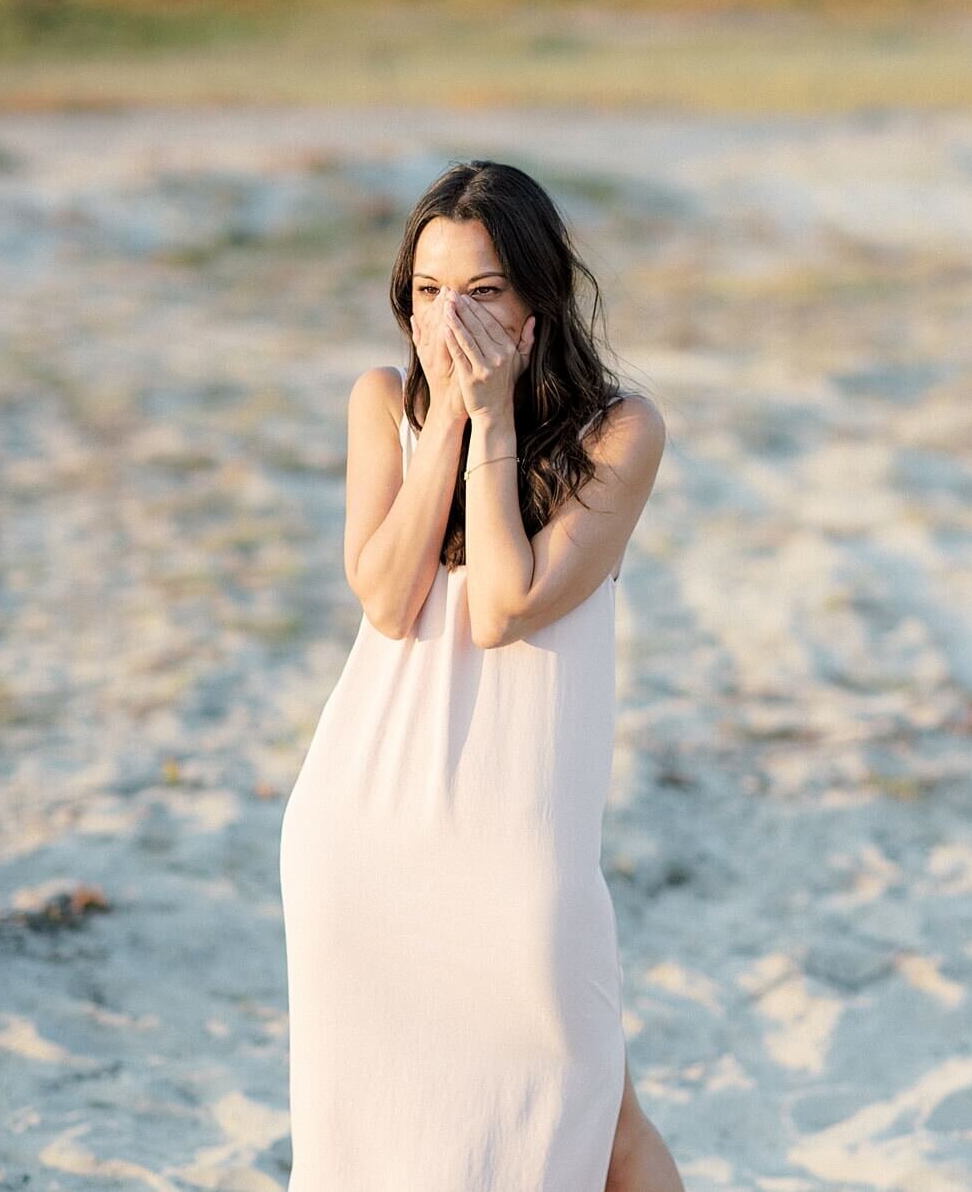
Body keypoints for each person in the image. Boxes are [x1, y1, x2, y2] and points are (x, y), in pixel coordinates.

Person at [279, 159, 685, 1190]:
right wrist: (448, 420)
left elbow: (504, 605)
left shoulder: (618, 432)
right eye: (427, 292)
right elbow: (384, 593)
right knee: (374, 1139)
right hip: (363, 829)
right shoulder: (383, 402)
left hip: (517, 855)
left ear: (537, 300)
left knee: (598, 1127)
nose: (448, 317)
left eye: (481, 290)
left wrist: (496, 418)